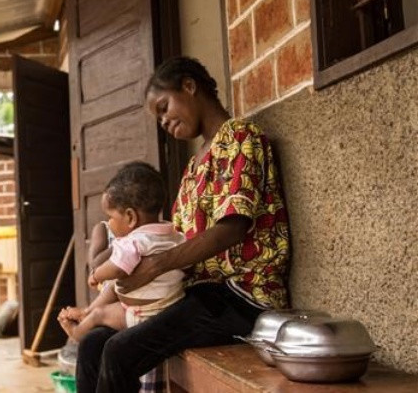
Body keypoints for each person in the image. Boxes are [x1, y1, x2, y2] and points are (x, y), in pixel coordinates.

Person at [76, 57, 290, 393]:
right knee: (94, 343)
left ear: (189, 86)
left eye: (164, 107)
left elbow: (232, 228)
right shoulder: (193, 168)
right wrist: (97, 306)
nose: (163, 121)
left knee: (119, 352)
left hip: (240, 296)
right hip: (196, 294)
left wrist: (158, 265)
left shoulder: (240, 138)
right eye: (158, 117)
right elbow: (165, 243)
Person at [57, 162, 185, 342]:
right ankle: (87, 311)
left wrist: (96, 275)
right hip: (172, 306)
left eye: (111, 217)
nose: (109, 223)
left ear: (131, 217)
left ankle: (77, 333)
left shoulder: (133, 242)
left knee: (100, 314)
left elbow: (116, 268)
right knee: (114, 287)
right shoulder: (172, 233)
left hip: (145, 314)